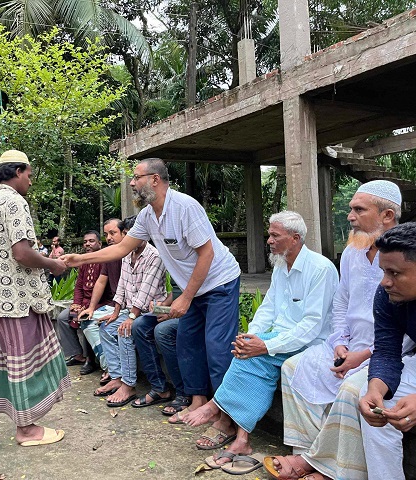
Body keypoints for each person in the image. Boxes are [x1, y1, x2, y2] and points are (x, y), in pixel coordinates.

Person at [62, 158, 241, 423]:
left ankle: (227, 418)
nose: (132, 183)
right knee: (187, 343)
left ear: (155, 180)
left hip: (219, 283)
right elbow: (121, 248)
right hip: (194, 287)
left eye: (137, 178)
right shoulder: (148, 216)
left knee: (216, 347)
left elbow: (207, 253)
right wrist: (80, 259)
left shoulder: (184, 207)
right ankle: (197, 402)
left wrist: (185, 298)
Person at [264, 180, 402, 480]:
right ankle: (307, 454)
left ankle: (329, 469)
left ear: (387, 216)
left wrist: (362, 355)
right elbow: (341, 304)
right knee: (292, 367)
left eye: (358, 210)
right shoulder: (353, 252)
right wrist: (340, 342)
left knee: (355, 389)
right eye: (351, 209)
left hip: (383, 353)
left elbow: (404, 336)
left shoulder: (404, 259)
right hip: (347, 344)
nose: (350, 216)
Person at [182, 211, 339, 474]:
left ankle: (217, 406)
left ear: (295, 238)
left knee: (253, 355)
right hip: (281, 338)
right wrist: (251, 336)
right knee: (248, 353)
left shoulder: (321, 269)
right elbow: (268, 308)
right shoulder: (280, 265)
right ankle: (241, 439)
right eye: (270, 234)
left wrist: (264, 346)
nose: (268, 240)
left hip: (313, 343)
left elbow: (311, 327)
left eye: (275, 235)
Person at [0, 149, 69, 446]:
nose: (30, 182)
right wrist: (52, 263)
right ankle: (27, 428)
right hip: (16, 300)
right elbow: (21, 254)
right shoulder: (15, 201)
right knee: (22, 361)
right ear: (18, 171)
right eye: (29, 175)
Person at [357, 222, 416, 480]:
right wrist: (374, 389)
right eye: (383, 271)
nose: (385, 282)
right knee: (376, 403)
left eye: (394, 273)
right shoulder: (387, 296)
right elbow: (387, 352)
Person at [94, 215, 168, 407]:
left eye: (133, 234)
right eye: (126, 234)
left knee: (126, 331)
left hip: (153, 311)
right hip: (133, 310)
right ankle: (117, 377)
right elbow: (122, 286)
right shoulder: (127, 255)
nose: (129, 238)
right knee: (107, 328)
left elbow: (146, 291)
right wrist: (116, 313)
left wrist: (131, 317)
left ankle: (128, 385)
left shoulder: (155, 256)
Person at [56, 231, 112, 375]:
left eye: (91, 241)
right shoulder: (84, 262)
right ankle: (77, 354)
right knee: (62, 317)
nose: (87, 244)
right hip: (85, 302)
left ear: (100, 243)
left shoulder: (105, 260)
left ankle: (90, 359)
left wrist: (86, 306)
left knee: (85, 318)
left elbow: (105, 289)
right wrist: (76, 303)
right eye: (85, 241)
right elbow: (79, 286)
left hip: (102, 302)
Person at [77, 218, 125, 377]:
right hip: (114, 305)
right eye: (106, 234)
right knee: (86, 320)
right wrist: (90, 307)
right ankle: (109, 367)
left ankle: (112, 370)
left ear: (124, 234)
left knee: (103, 325)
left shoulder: (129, 254)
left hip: (127, 307)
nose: (109, 238)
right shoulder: (109, 256)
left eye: (113, 233)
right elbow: (101, 281)